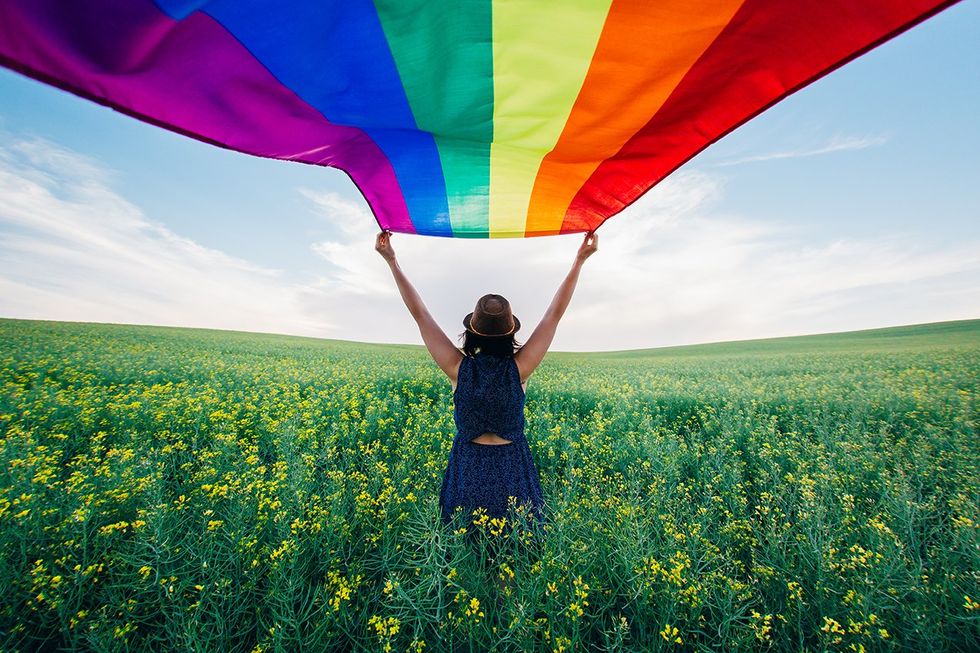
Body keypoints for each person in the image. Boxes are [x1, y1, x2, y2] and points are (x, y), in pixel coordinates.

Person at [374, 228, 598, 548]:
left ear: (472, 332)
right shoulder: (520, 369)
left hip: (469, 467)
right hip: (512, 467)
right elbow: (554, 315)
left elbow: (420, 315)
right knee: (515, 552)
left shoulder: (458, 369)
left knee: (467, 554)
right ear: (510, 333)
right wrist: (579, 261)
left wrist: (392, 262)